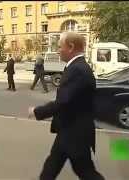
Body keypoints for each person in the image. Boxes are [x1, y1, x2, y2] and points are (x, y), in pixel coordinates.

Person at [28, 32, 105, 180]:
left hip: (75, 132)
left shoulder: (77, 69)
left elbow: (63, 101)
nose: (58, 50)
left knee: (86, 172)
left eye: (59, 47)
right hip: (68, 129)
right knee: (52, 165)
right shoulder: (76, 67)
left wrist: (37, 111)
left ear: (70, 47)